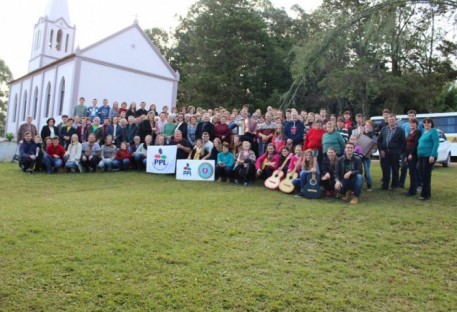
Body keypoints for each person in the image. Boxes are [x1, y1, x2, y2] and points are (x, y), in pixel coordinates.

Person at [377, 114, 405, 191]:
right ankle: (385, 185)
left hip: (394, 153)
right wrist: (381, 150)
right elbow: (379, 141)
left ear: (395, 121)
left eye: (393, 119)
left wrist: (399, 152)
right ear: (388, 120)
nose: (391, 121)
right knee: (385, 170)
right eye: (390, 120)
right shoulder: (383, 129)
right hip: (384, 153)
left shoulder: (400, 130)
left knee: (395, 169)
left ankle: (394, 185)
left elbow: (403, 142)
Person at [417, 117, 439, 200]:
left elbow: (436, 143)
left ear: (431, 124)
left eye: (428, 123)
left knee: (426, 175)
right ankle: (428, 193)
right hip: (421, 156)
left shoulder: (433, 131)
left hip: (429, 156)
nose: (426, 124)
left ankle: (424, 195)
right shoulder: (424, 132)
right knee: (423, 174)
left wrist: (432, 155)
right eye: (425, 123)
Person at [404, 118, 422, 196]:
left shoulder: (418, 132)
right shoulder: (409, 133)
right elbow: (406, 145)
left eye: (413, 123)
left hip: (413, 155)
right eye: (410, 123)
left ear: (416, 124)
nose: (411, 125)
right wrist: (405, 155)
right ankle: (411, 189)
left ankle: (413, 190)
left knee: (413, 172)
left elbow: (416, 144)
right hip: (408, 154)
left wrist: (411, 154)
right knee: (411, 172)